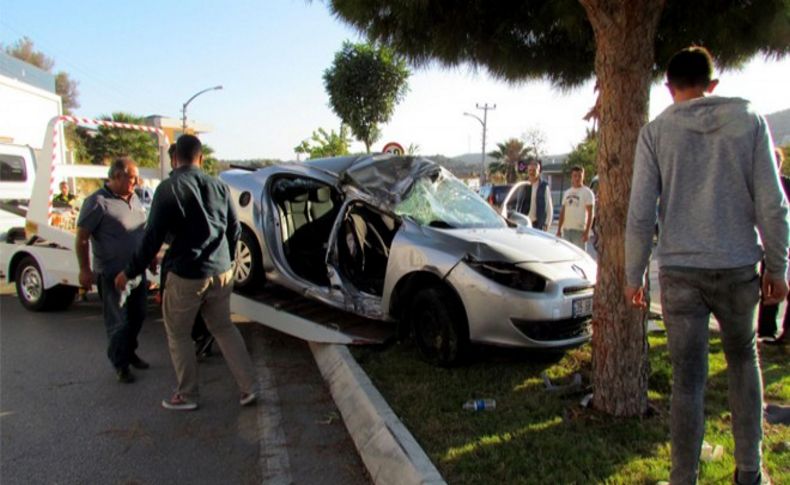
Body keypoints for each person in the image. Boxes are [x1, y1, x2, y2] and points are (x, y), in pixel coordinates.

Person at [625, 46, 789, 485]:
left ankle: (683, 479)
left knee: (688, 381)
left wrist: (633, 274)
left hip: (680, 273)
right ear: (712, 85)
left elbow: (640, 213)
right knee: (743, 362)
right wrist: (778, 267)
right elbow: (773, 206)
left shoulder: (656, 133)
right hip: (738, 266)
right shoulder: (750, 121)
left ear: (668, 87)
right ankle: (749, 473)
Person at [115, 135, 257, 411]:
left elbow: (151, 238)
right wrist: (224, 260)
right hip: (221, 272)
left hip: (186, 275)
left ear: (175, 158)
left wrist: (130, 272)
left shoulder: (169, 188)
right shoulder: (219, 186)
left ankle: (187, 394)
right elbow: (234, 228)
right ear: (201, 158)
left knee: (179, 334)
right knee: (224, 328)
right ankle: (249, 388)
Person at [75, 158, 150, 384]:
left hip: (136, 271)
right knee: (118, 321)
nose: (136, 182)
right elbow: (81, 239)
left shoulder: (135, 198)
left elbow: (142, 231)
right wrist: (84, 270)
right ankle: (121, 364)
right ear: (117, 176)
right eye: (132, 178)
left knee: (138, 317)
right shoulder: (97, 202)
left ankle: (130, 352)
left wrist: (150, 257)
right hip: (112, 274)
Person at [757, 147, 790, 345]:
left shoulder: (786, 184)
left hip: (784, 242)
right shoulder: (760, 185)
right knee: (766, 286)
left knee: (778, 282)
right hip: (764, 242)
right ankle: (766, 329)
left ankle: (785, 333)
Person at [555, 166, 594, 250]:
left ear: (583, 177)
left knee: (579, 257)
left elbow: (591, 213)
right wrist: (559, 229)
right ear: (571, 177)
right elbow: (563, 212)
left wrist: (587, 231)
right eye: (575, 176)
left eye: (579, 176)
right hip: (566, 230)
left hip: (579, 231)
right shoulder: (567, 192)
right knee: (567, 255)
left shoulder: (587, 192)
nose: (577, 178)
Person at [516, 158, 553, 231]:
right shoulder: (523, 185)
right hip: (523, 223)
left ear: (538, 171)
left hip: (537, 224)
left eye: (534, 170)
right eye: (530, 170)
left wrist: (547, 223)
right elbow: (518, 204)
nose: (532, 172)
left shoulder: (543, 186)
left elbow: (549, 207)